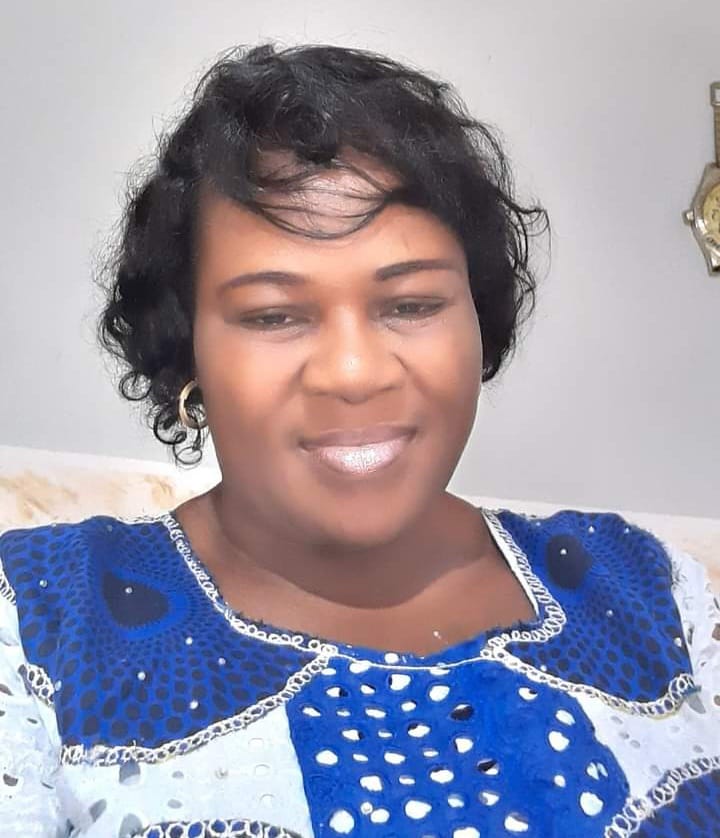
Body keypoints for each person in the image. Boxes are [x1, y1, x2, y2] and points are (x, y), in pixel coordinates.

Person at [0, 42, 718, 838]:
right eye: (274, 315)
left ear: (478, 323)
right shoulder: (37, 624)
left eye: (411, 305)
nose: (353, 372)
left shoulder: (655, 594)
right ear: (186, 349)